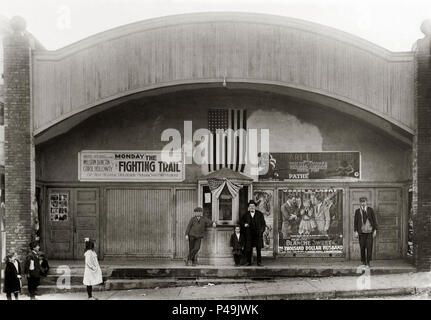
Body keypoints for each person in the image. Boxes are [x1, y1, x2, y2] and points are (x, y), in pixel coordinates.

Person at [240, 200, 266, 266]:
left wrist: (261, 231)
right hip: (249, 234)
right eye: (250, 206)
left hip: (257, 234)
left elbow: (263, 224)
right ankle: (249, 262)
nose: (252, 207)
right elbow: (241, 222)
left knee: (258, 249)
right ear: (248, 207)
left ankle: (259, 262)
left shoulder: (259, 214)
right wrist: (244, 224)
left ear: (255, 207)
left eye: (253, 206)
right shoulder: (245, 214)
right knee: (249, 249)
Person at [354, 197, 378, 267]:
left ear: (366, 202)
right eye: (361, 202)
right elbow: (355, 222)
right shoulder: (357, 211)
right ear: (360, 203)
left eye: (364, 201)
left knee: (369, 247)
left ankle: (368, 262)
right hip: (361, 232)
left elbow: (374, 220)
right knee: (362, 247)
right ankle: (363, 261)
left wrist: (375, 230)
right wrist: (355, 231)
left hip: (369, 232)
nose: (363, 203)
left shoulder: (370, 210)